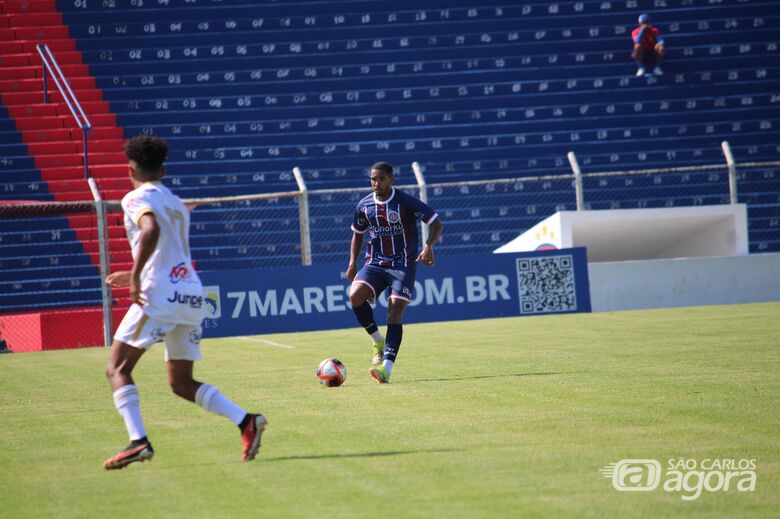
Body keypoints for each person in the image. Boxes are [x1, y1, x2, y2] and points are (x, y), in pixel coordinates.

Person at [102, 135, 266, 470]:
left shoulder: (135, 197)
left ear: (130, 168)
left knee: (117, 368)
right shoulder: (175, 201)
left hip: (158, 294)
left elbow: (150, 231)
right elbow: (167, 250)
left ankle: (138, 441)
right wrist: (132, 270)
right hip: (190, 293)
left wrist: (135, 279)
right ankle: (245, 421)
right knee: (180, 383)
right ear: (162, 170)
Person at [345, 162, 443, 384]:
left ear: (391, 179)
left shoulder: (405, 202)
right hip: (375, 263)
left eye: (380, 179)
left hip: (403, 265)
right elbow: (357, 234)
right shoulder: (364, 205)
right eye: (373, 179)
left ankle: (386, 369)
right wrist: (352, 262)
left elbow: (436, 223)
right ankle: (377, 340)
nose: (376, 183)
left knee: (394, 312)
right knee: (355, 295)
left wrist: (429, 245)